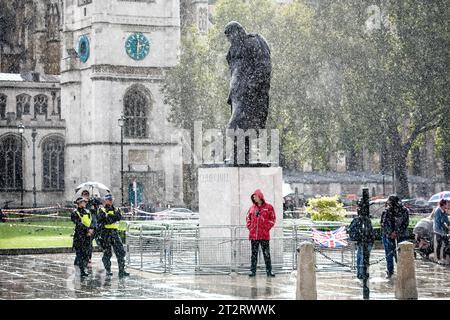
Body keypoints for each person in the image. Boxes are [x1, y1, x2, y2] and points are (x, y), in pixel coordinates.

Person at [98, 193, 129, 278]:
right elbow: (106, 220)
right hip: (106, 233)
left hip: (114, 233)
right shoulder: (102, 210)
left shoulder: (116, 209)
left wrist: (110, 217)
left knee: (121, 252)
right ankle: (108, 270)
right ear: (105, 200)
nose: (110, 201)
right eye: (109, 200)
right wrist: (112, 218)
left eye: (111, 199)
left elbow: (118, 217)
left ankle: (122, 271)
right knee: (107, 253)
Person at [246, 189, 276, 277]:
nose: (254, 198)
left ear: (260, 196)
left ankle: (269, 271)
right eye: (253, 197)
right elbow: (248, 218)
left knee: (266, 254)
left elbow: (272, 219)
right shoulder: (252, 208)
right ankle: (253, 271)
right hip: (254, 236)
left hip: (264, 235)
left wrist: (266, 228)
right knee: (254, 255)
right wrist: (250, 227)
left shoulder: (269, 207)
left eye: (255, 196)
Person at [380, 195, 410, 279]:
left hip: (390, 236)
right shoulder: (404, 210)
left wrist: (391, 233)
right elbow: (405, 224)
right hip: (400, 236)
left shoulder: (387, 211)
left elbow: (383, 224)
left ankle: (390, 271)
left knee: (389, 255)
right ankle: (402, 270)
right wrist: (396, 232)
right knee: (399, 255)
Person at [71, 197, 94, 278]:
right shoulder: (75, 212)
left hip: (87, 235)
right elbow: (78, 223)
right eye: (82, 202)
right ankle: (82, 270)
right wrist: (87, 229)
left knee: (87, 253)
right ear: (79, 203)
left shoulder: (88, 211)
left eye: (84, 202)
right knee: (80, 253)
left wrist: (91, 229)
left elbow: (91, 221)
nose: (84, 203)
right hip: (79, 235)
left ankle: (83, 268)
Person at [433, 199, 450, 264]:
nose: (447, 205)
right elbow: (439, 221)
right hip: (438, 231)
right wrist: (445, 226)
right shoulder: (438, 211)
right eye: (446, 204)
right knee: (439, 245)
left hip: (444, 231)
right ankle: (438, 259)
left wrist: (448, 225)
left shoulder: (444, 211)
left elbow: (446, 220)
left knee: (446, 244)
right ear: (443, 204)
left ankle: (444, 258)